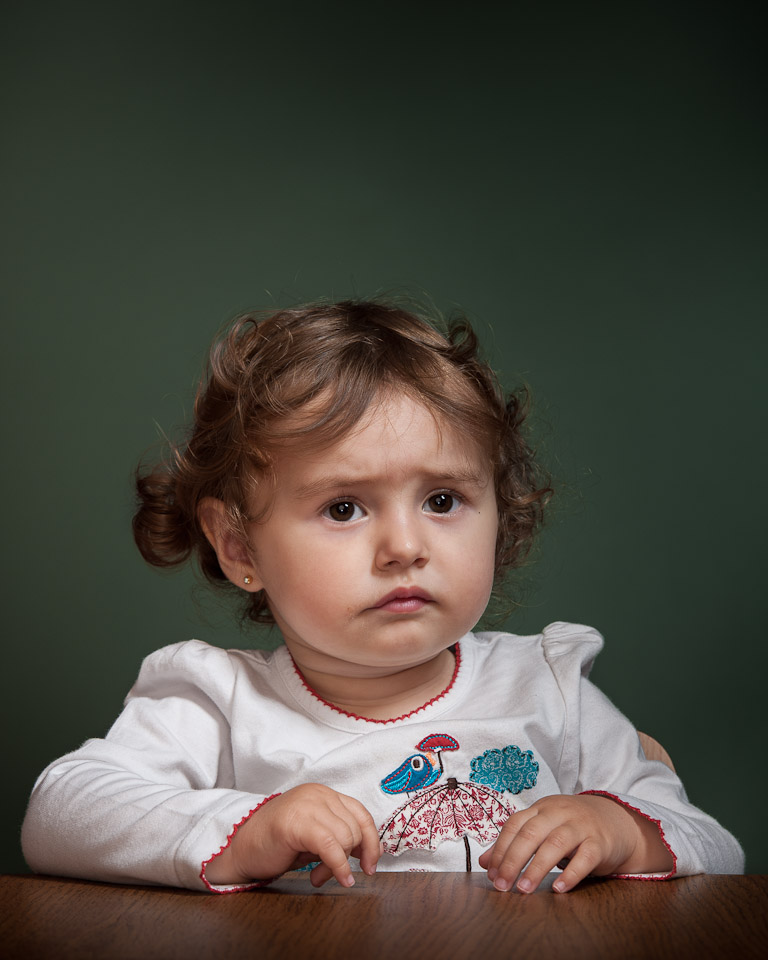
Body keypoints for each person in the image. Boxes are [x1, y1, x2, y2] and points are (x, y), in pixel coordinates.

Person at [22, 299, 744, 894]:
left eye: (442, 498)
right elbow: (61, 812)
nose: (405, 546)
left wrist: (622, 829)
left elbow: (716, 846)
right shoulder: (217, 706)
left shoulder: (550, 691)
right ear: (239, 546)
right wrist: (248, 827)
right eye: (343, 508)